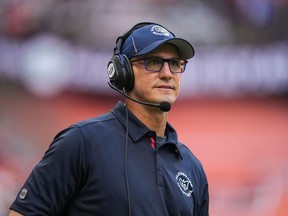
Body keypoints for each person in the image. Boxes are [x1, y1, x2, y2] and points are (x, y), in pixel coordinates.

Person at [9, 22, 209, 216]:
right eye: (154, 62)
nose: (167, 74)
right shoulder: (81, 142)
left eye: (175, 63)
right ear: (123, 72)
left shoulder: (192, 167)